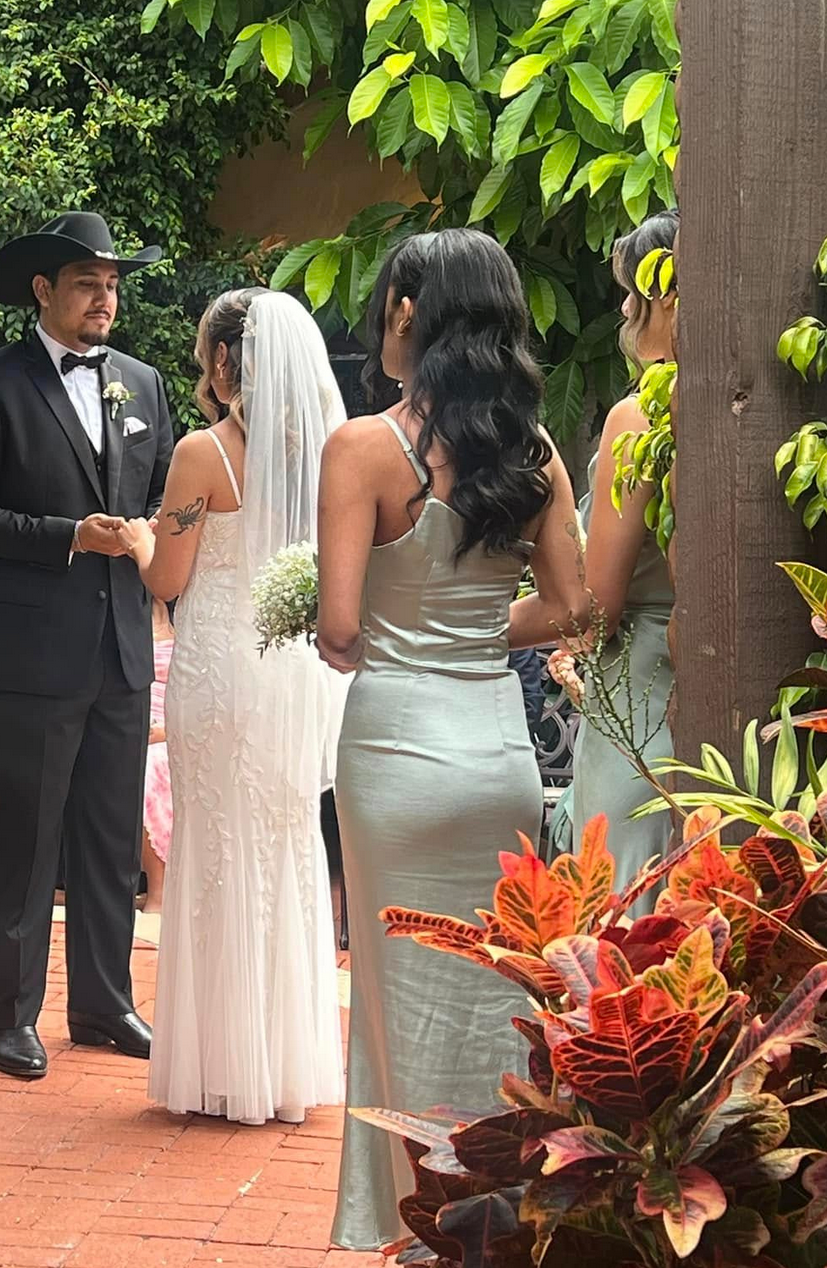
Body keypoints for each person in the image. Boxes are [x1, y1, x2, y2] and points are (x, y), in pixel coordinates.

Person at [316, 229, 589, 1250]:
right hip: (497, 755)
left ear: (405, 311)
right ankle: (500, 1225)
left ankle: (414, 1225)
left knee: (394, 1000)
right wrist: (475, 631)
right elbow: (571, 608)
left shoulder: (361, 448)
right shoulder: (534, 453)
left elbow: (339, 629)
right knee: (493, 990)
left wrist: (384, 634)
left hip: (394, 754)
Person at [0, 210, 175, 1080]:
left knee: (110, 839)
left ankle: (105, 1003)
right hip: (32, 653)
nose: (104, 299)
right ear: (43, 290)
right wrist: (72, 535)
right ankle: (12, 1017)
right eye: (87, 285)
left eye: (112, 286)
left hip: (122, 646)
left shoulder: (143, 384)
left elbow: (161, 494)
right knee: (28, 842)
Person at [119, 287, 345, 1125]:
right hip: (289, 672)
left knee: (216, 847)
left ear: (224, 360)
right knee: (284, 848)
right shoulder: (323, 450)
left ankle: (221, 1066)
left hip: (219, 669)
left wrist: (137, 537)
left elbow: (167, 578)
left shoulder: (201, 453)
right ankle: (285, 1066)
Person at [531, 209, 678, 910]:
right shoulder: (739, 410)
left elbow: (597, 608)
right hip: (703, 702)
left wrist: (485, 623)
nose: (622, 311)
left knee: (625, 919)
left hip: (637, 698)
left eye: (630, 294)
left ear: (667, 297)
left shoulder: (639, 416)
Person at [138, 600, 173, 913]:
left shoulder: (184, 616)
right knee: (147, 768)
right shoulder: (126, 618)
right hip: (136, 725)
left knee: (158, 762)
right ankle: (157, 890)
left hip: (174, 726)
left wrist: (168, 730)